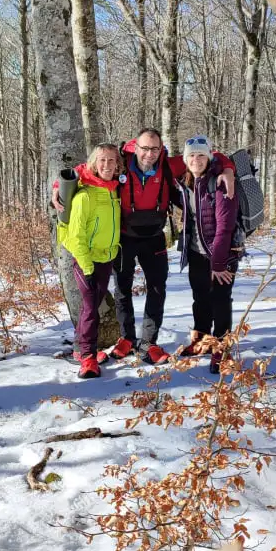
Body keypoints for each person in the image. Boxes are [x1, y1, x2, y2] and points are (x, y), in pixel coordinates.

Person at [53, 128, 235, 365]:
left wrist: (228, 169)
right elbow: (86, 169)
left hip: (154, 236)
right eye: (144, 148)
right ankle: (127, 338)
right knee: (122, 289)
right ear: (134, 147)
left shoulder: (169, 165)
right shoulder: (120, 161)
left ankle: (149, 341)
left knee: (157, 288)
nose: (149, 154)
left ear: (161, 150)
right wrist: (59, 185)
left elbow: (209, 156)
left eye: (154, 149)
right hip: (124, 236)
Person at [177, 135, 242, 373]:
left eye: (201, 154)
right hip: (196, 250)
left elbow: (225, 226)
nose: (196, 159)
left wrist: (218, 263)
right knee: (200, 298)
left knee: (221, 301)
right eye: (191, 155)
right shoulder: (186, 181)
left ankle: (221, 349)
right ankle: (202, 340)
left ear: (209, 156)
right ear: (185, 159)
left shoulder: (221, 181)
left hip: (223, 254)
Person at [58, 144, 122, 379]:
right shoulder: (85, 195)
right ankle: (87, 358)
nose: (107, 165)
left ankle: (80, 348)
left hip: (106, 257)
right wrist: (86, 266)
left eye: (111, 161)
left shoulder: (114, 190)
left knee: (92, 306)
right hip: (87, 260)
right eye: (102, 161)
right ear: (94, 164)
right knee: (90, 309)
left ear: (118, 164)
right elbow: (76, 237)